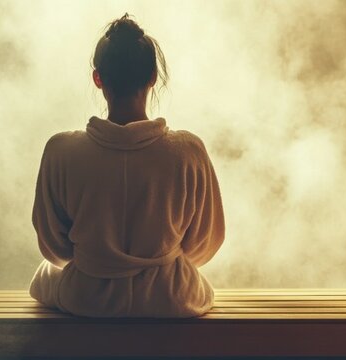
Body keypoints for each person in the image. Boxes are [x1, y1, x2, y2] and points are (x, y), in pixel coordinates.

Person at [29, 14, 225, 318]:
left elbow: (54, 249)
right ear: (152, 77)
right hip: (170, 298)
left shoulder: (61, 151)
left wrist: (100, 261)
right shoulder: (188, 152)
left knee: (44, 275)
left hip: (87, 297)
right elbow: (205, 243)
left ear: (98, 78)